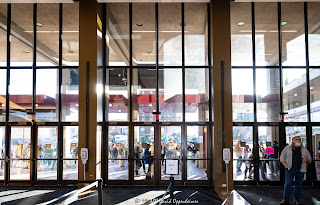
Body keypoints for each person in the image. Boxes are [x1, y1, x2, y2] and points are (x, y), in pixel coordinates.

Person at [279, 136, 311, 205]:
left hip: (300, 170)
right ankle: (285, 200)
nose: (298, 140)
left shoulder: (304, 150)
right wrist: (286, 166)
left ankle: (296, 199)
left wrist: (306, 160)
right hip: (290, 169)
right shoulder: (287, 148)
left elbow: (310, 159)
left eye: (299, 139)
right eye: (296, 139)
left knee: (298, 185)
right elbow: (282, 158)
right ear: (292, 140)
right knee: (288, 184)